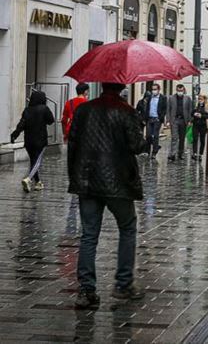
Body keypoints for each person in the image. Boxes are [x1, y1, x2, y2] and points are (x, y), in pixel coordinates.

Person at [67, 82, 148, 308]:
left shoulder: (84, 110)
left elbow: (72, 144)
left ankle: (86, 290)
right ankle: (123, 284)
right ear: (121, 87)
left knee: (89, 235)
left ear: (102, 86)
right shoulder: (126, 111)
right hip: (118, 182)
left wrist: (74, 177)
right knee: (128, 226)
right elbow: (136, 145)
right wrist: (142, 132)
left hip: (87, 180)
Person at [10, 91, 55, 192]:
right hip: (41, 141)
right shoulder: (44, 109)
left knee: (33, 162)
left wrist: (14, 135)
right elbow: (51, 121)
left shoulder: (27, 110)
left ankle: (38, 183)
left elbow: (21, 124)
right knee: (37, 162)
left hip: (29, 141)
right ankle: (28, 179)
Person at [167, 84, 192, 162]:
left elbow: (190, 110)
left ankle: (180, 153)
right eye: (178, 90)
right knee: (174, 137)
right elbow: (168, 110)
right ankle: (173, 154)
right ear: (176, 89)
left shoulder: (188, 98)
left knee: (182, 138)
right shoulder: (171, 98)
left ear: (183, 90)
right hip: (174, 120)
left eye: (181, 90)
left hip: (184, 120)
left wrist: (190, 120)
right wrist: (168, 121)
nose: (179, 92)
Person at [141, 84, 166, 159]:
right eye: (153, 89)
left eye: (155, 89)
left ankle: (154, 152)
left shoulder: (163, 98)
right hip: (149, 118)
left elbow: (164, 109)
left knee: (155, 136)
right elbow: (147, 108)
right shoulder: (149, 97)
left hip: (157, 119)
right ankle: (148, 151)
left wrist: (160, 117)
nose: (153, 91)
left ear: (158, 90)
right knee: (148, 136)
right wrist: (145, 118)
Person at [192, 95, 208, 161]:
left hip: (203, 125)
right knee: (195, 138)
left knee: (202, 140)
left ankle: (200, 154)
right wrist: (194, 114)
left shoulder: (207, 106)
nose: (200, 100)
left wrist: (201, 116)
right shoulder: (196, 106)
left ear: (204, 99)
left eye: (201, 99)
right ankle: (194, 153)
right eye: (199, 99)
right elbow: (192, 112)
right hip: (195, 125)